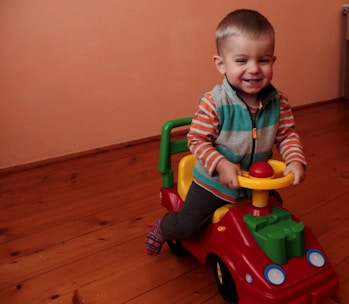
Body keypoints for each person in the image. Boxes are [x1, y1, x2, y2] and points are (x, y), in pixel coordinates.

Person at [145, 9, 306, 256]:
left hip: (255, 183)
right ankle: (165, 227)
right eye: (241, 61)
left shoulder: (279, 102)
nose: (254, 69)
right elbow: (196, 140)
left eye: (263, 60)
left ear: (273, 61)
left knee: (277, 210)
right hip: (214, 184)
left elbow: (287, 135)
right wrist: (220, 164)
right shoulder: (214, 103)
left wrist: (295, 160)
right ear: (222, 64)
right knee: (188, 225)